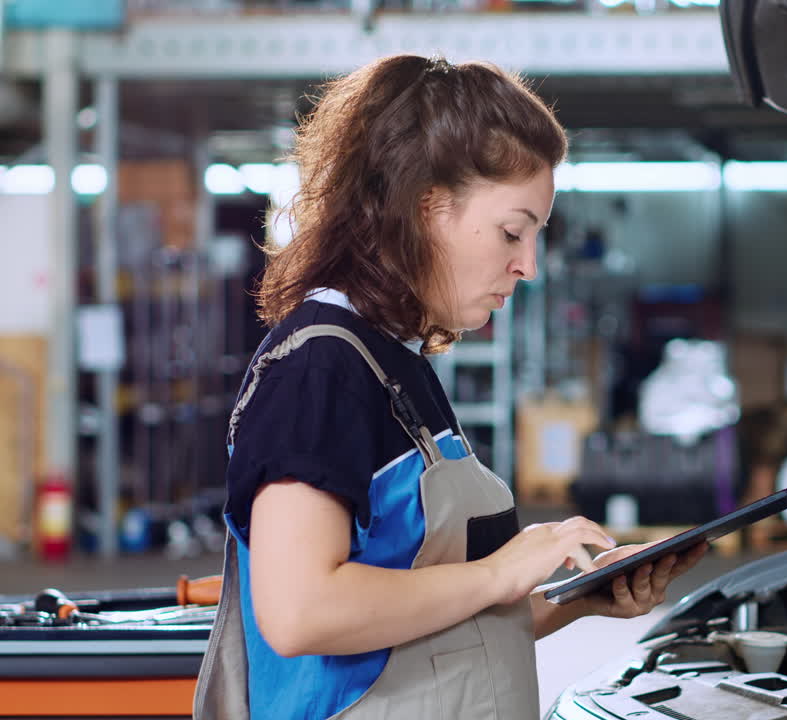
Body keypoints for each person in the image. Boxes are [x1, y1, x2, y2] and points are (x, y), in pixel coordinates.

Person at [193, 54, 707, 720]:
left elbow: (441, 627)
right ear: (427, 207)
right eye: (512, 232)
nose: (527, 265)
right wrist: (500, 570)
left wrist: (580, 597)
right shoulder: (320, 369)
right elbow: (301, 612)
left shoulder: (395, 366)